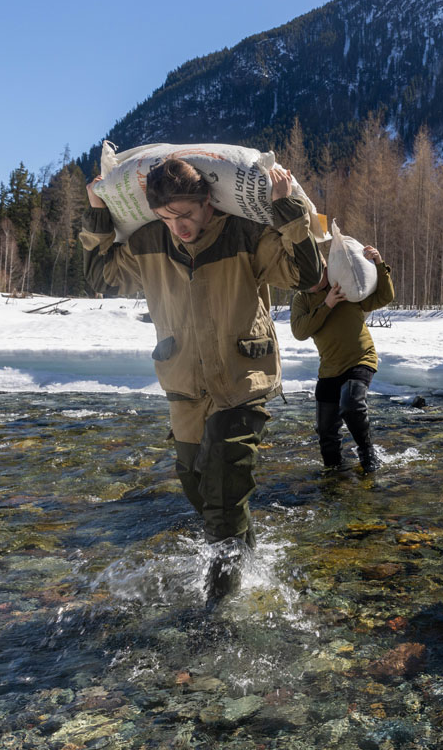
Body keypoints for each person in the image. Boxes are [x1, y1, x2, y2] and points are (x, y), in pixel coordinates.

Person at [81, 159, 323, 601]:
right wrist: (98, 213)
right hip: (184, 388)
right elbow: (100, 278)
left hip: (241, 381)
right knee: (200, 491)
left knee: (224, 500)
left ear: (208, 201)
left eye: (186, 214)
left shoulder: (245, 235)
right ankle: (251, 566)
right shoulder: (149, 242)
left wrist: (287, 211)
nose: (180, 226)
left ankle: (217, 614)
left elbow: (306, 276)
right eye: (168, 217)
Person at [290, 245, 395, 474]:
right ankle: (334, 476)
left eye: (318, 272)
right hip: (329, 369)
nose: (313, 280)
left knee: (351, 404)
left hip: (360, 359)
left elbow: (384, 297)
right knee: (326, 431)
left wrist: (379, 263)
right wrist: (327, 304)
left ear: (325, 267)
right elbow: (300, 331)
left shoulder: (346, 283)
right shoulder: (302, 298)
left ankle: (368, 454)